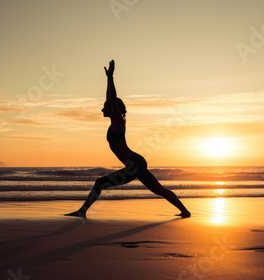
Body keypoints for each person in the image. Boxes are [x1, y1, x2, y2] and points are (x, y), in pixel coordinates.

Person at [66, 60, 191, 219]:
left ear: (112, 109)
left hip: (134, 164)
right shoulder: (116, 122)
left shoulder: (118, 122)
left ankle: (82, 211)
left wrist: (111, 78)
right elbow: (110, 99)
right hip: (136, 163)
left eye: (105, 107)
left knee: (100, 183)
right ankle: (185, 211)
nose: (101, 109)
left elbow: (112, 98)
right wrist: (108, 80)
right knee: (158, 189)